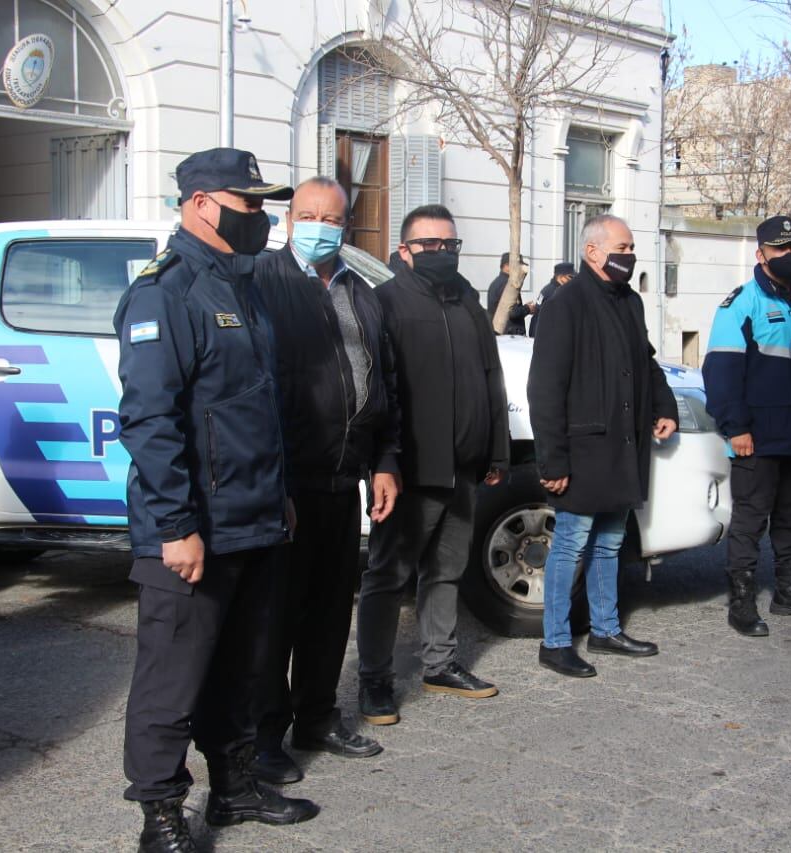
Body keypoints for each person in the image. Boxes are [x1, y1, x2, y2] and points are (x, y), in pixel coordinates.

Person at [115, 148, 317, 853]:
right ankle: (161, 813)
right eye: (249, 203)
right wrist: (175, 526)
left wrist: (280, 493)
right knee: (172, 680)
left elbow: (255, 407)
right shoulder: (164, 292)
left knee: (242, 668)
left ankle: (232, 788)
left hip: (254, 518)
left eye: (264, 205)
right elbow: (149, 419)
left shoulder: (241, 286)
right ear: (202, 202)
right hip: (193, 528)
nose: (261, 218)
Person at [249, 177, 401, 785]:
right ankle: (263, 735)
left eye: (329, 217)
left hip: (343, 482)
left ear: (346, 223)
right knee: (275, 617)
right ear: (289, 220)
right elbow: (253, 389)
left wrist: (386, 459)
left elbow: (383, 384)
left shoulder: (363, 293)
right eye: (306, 214)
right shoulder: (262, 282)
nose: (317, 225)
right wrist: (271, 481)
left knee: (329, 611)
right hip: (285, 484)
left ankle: (316, 715)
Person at [355, 204, 510, 725]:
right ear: (404, 251)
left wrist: (497, 448)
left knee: (446, 571)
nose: (441, 252)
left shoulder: (467, 299)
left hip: (463, 466)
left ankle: (439, 665)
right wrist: (385, 461)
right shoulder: (385, 303)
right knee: (387, 576)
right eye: (429, 245)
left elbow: (491, 377)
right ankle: (374, 681)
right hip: (409, 471)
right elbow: (380, 393)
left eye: (450, 244)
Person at [528, 215, 678, 678]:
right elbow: (545, 387)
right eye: (621, 246)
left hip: (623, 445)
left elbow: (646, 362)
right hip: (584, 449)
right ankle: (554, 642)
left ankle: (605, 629)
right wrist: (552, 458)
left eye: (632, 247)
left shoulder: (629, 300)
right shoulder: (566, 303)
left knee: (611, 542)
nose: (629, 255)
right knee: (570, 543)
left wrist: (664, 406)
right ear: (592, 251)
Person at [702, 216, 791, 638]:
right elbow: (721, 371)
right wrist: (735, 428)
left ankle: (789, 591)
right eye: (780, 249)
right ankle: (741, 600)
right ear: (760, 255)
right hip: (756, 437)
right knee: (750, 520)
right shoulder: (742, 303)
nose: (789, 254)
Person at [487, 251, 532, 335]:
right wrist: (528, 308)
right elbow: (512, 312)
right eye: (518, 265)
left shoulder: (498, 282)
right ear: (506, 266)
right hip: (509, 336)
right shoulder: (507, 284)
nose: (520, 268)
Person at [528, 262, 576, 337]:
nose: (573, 280)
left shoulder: (549, 288)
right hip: (545, 334)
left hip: (539, 333)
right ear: (560, 277)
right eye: (570, 277)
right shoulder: (554, 292)